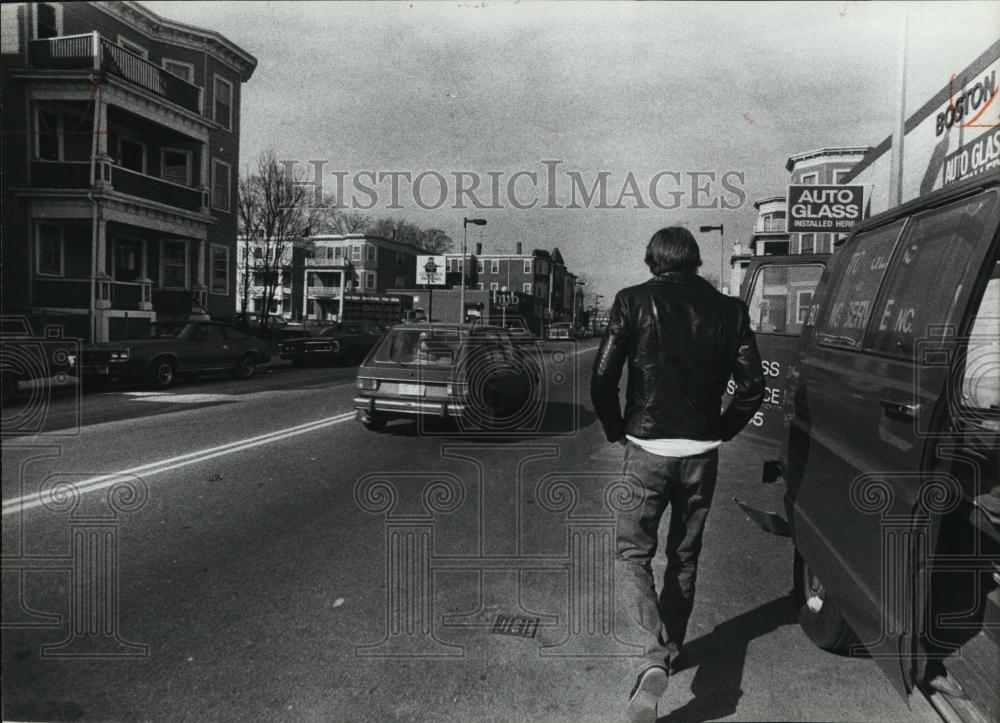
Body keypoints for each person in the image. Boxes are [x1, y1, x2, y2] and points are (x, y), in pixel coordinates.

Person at [590, 227, 765, 722]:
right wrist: (720, 430)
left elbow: (603, 377)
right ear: (694, 260)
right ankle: (673, 647)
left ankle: (652, 655)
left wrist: (616, 429)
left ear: (652, 261)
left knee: (632, 553)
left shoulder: (632, 301)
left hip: (646, 447)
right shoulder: (730, 311)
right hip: (700, 455)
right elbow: (753, 386)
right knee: (683, 556)